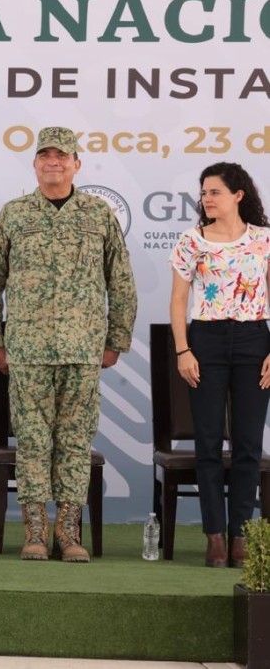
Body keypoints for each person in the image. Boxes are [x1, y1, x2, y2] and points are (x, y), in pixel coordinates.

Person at [0, 127, 137, 563]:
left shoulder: (98, 215)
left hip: (83, 350)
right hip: (26, 350)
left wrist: (115, 338)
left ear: (76, 164)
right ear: (34, 164)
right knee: (32, 443)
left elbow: (120, 282)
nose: (53, 163)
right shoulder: (15, 214)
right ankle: (34, 533)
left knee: (75, 443)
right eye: (45, 155)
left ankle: (68, 533)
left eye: (61, 156)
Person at [168, 162, 270, 568]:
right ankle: (214, 538)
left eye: (215, 192)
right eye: (204, 192)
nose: (206, 199)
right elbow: (178, 302)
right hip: (205, 340)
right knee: (208, 444)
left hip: (253, 340)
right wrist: (183, 351)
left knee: (247, 446)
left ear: (238, 195)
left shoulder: (263, 241)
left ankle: (241, 535)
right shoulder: (192, 241)